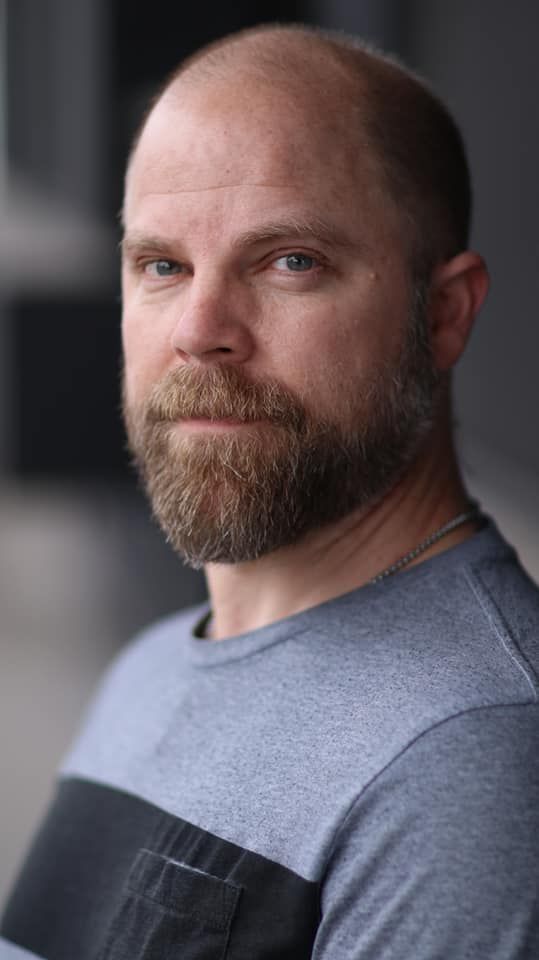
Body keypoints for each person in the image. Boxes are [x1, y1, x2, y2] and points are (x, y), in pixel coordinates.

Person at [1, 22, 538, 960]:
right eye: (161, 266)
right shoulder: (155, 668)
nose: (201, 330)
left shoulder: (470, 752)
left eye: (290, 261)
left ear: (443, 314)